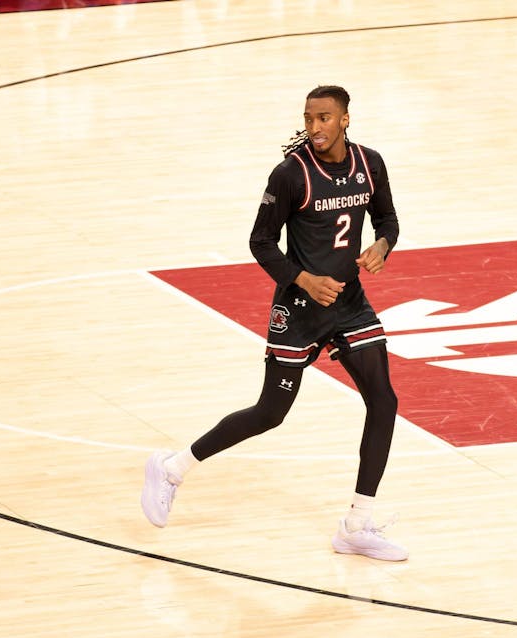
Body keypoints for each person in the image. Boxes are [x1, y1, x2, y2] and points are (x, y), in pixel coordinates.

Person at [142, 85, 407, 561]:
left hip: (349, 305)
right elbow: (260, 242)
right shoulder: (291, 174)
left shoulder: (371, 163)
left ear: (345, 119)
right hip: (300, 310)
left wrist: (382, 246)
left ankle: (356, 523)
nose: (315, 127)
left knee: (384, 401)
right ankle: (172, 468)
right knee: (270, 413)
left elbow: (388, 219)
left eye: (325, 118)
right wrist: (303, 280)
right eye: (309, 118)